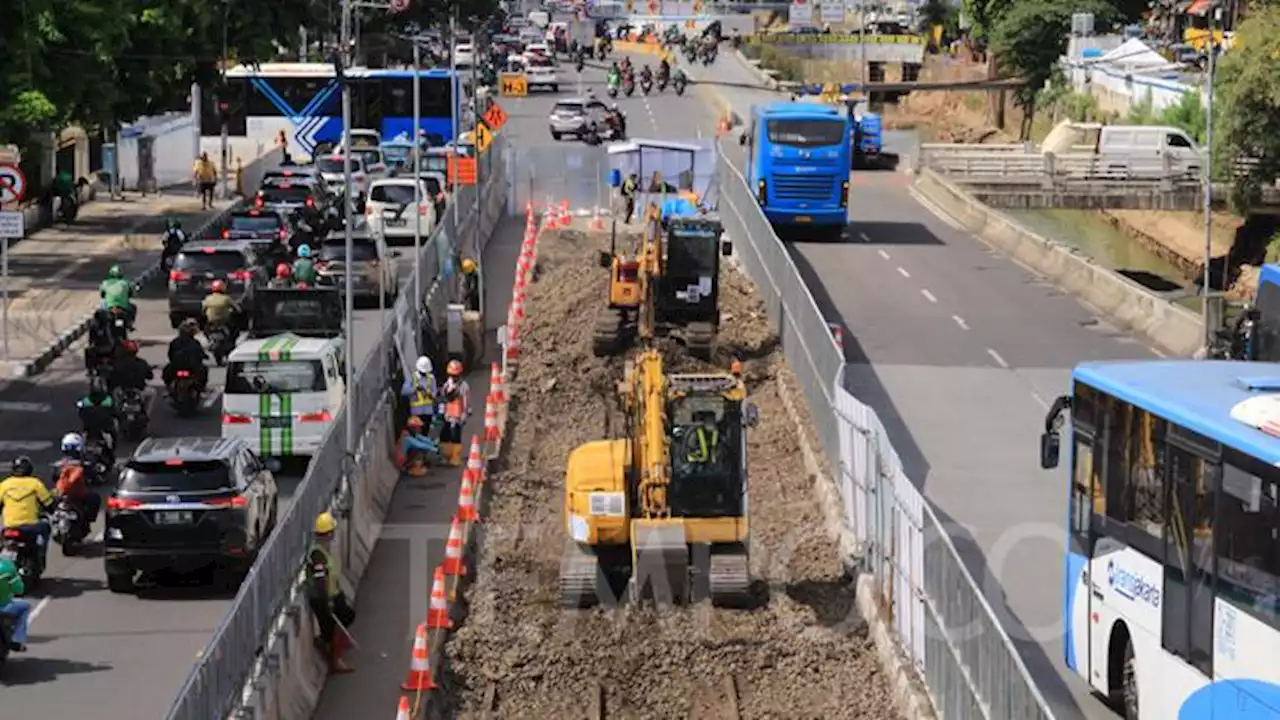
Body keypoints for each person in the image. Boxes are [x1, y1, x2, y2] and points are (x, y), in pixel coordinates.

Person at [308, 512, 356, 673]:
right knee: (333, 626)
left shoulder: (323, 550)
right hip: (324, 599)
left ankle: (331, 644)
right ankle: (335, 658)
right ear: (328, 534)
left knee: (346, 617)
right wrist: (327, 601)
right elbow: (320, 581)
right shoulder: (318, 555)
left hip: (333, 595)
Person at [0, 456, 54, 575]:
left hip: (9, 527)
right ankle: (41, 556)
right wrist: (51, 511)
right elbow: (48, 503)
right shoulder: (35, 484)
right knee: (46, 527)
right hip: (30, 526)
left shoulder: (4, 485)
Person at [52, 433, 101, 529]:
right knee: (95, 498)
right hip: (78, 494)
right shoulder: (85, 464)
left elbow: (54, 478)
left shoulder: (58, 465)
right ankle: (87, 521)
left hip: (60, 494)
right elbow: (93, 476)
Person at [77, 379, 119, 469]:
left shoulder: (86, 400)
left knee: (82, 446)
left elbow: (81, 414)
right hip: (104, 430)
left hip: (89, 430)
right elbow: (114, 413)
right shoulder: (108, 400)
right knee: (112, 441)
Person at [437, 360, 471, 467]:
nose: (453, 377)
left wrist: (464, 414)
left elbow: (466, 400)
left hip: (457, 415)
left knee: (455, 435)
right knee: (444, 435)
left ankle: (455, 457)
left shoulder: (463, 386)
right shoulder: (447, 384)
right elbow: (443, 397)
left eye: (455, 375)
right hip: (448, 414)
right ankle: (445, 456)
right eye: (452, 375)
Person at [166, 318, 209, 392]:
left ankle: (168, 388)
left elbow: (170, 355)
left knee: (167, 373)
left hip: (178, 367)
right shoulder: (195, 342)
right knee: (204, 371)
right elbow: (200, 353)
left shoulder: (175, 342)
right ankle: (202, 388)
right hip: (191, 367)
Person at [0, 556, 29, 652]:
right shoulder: (7, 566)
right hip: (4, 607)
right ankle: (18, 640)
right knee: (25, 606)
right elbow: (19, 589)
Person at [401, 356, 438, 427]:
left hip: (428, 412)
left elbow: (434, 393)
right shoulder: (412, 378)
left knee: (425, 432)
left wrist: (429, 394)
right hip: (416, 412)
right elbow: (404, 391)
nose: (424, 373)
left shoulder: (431, 378)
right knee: (417, 432)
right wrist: (415, 389)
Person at [100, 264, 136, 331]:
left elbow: (102, 295)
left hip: (109, 307)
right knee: (133, 307)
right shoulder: (126, 283)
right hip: (123, 308)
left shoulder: (105, 283)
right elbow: (131, 293)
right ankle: (129, 324)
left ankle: (102, 326)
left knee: (101, 307)